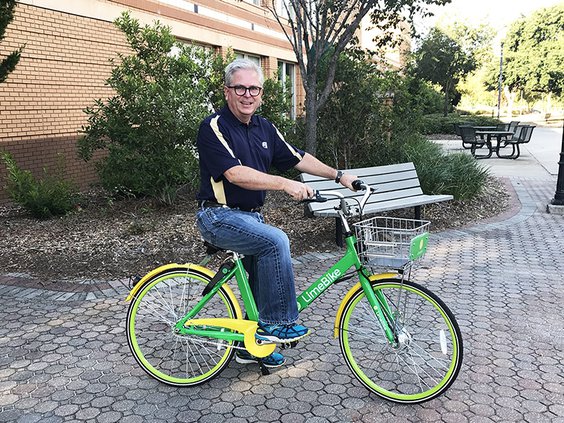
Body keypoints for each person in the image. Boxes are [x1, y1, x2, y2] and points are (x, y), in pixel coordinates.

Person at [196, 58, 357, 368]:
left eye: (253, 88)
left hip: (249, 218)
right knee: (275, 241)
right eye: (240, 87)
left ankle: (251, 343)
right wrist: (284, 185)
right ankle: (276, 324)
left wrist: (339, 176)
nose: (247, 94)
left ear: (261, 93)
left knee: (264, 274)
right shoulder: (213, 127)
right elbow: (234, 174)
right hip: (217, 216)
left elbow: (297, 158)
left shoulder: (264, 127)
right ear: (227, 91)